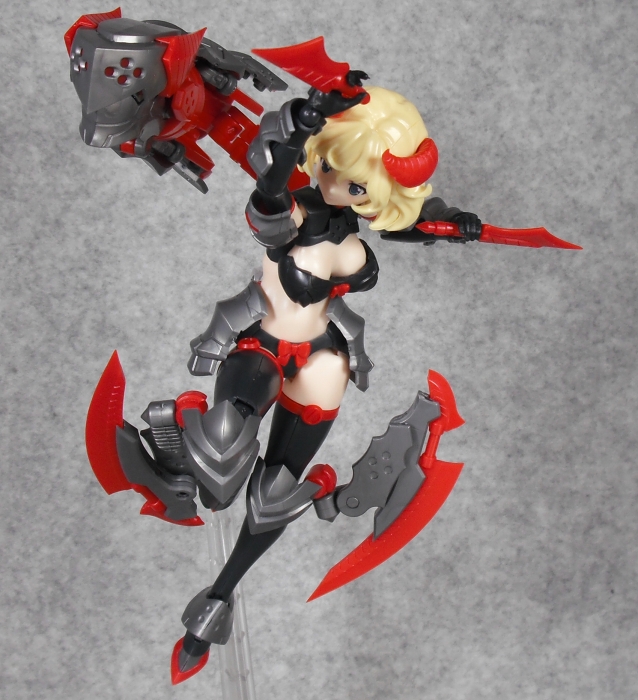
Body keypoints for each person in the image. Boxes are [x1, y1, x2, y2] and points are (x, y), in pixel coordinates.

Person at [167, 83, 481, 680]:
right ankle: (177, 429)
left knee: (274, 496)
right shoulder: (295, 211)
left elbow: (410, 225)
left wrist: (452, 225)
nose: (336, 183)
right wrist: (299, 126)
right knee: (223, 450)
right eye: (332, 166)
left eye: (358, 183)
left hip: (323, 357)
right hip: (263, 342)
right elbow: (266, 193)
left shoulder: (356, 230)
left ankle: (217, 599)